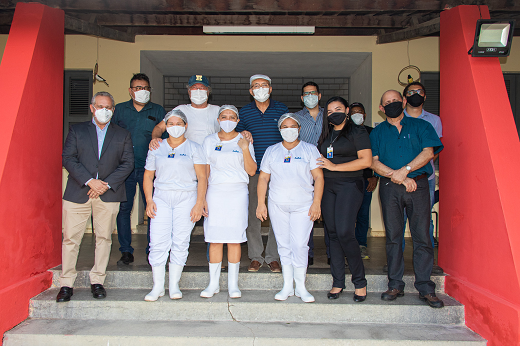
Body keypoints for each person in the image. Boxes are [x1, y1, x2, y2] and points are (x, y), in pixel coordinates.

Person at [57, 92, 134, 302]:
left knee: (104, 239)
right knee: (71, 239)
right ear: (92, 108)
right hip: (78, 192)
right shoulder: (78, 130)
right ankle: (66, 283)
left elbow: (127, 164)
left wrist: (105, 184)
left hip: (108, 194)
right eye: (100, 106)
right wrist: (90, 181)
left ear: (113, 110)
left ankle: (97, 280)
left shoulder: (122, 134)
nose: (104, 110)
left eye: (108, 107)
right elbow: (68, 158)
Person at [370, 90, 444, 308]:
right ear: (381, 109)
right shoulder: (378, 132)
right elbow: (373, 162)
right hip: (390, 186)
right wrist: (400, 177)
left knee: (422, 235)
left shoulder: (422, 126)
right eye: (387, 103)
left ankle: (425, 286)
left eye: (395, 101)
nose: (392, 104)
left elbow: (428, 153)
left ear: (403, 102)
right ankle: (395, 284)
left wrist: (407, 170)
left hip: (418, 185)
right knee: (393, 236)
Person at [256, 113, 324, 303]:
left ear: (299, 129)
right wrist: (261, 203)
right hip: (278, 204)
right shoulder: (272, 151)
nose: (289, 130)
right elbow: (263, 178)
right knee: (283, 244)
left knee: (300, 244)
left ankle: (301, 286)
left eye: (292, 126)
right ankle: (287, 286)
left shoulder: (310, 150)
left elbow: (318, 177)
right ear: (280, 130)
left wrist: (316, 202)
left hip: (304, 205)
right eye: (284, 127)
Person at [143, 110, 207, 301]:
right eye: (170, 123)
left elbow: (202, 177)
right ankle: (157, 287)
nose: (175, 127)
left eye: (179, 123)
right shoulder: (157, 147)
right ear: (166, 126)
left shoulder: (195, 148)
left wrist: (199, 203)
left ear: (185, 126)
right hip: (161, 197)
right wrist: (149, 200)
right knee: (157, 241)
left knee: (180, 241)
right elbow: (148, 175)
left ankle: (174, 286)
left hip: (187, 196)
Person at [317, 96, 371, 302]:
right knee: (332, 234)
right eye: (329, 112)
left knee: (345, 232)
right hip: (328, 186)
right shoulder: (327, 134)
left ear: (347, 110)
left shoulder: (358, 131)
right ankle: (338, 281)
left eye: (338, 109)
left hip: (350, 185)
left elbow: (366, 161)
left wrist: (335, 167)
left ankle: (360, 282)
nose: (334, 114)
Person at [200, 105, 257, 298]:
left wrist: (245, 148)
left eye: (232, 117)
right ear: (218, 119)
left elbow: (251, 170)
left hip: (237, 193)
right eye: (224, 116)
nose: (227, 120)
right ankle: (213, 284)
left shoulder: (245, 139)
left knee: (234, 239)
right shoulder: (209, 141)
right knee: (215, 238)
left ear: (238, 120)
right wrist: (202, 198)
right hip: (215, 192)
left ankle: (233, 285)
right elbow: (205, 172)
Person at [112, 73, 167, 265]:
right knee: (124, 209)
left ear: (150, 90)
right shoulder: (119, 110)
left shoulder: (159, 111)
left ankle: (152, 248)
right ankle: (126, 250)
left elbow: (167, 138)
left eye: (145, 88)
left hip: (150, 170)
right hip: (124, 168)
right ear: (130, 91)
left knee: (152, 209)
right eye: (137, 88)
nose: (141, 91)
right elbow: (111, 137)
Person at [237, 74, 289, 273]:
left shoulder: (281, 109)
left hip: (278, 172)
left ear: (270, 88)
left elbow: (288, 135)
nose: (260, 89)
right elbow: (238, 137)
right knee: (253, 214)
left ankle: (273, 257)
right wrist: (243, 134)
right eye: (256, 86)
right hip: (254, 172)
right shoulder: (245, 112)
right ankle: (256, 256)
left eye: (264, 85)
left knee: (276, 214)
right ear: (251, 91)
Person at [403, 82, 443, 273]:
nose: (415, 95)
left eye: (419, 92)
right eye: (411, 92)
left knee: (425, 220)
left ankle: (428, 262)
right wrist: (403, 172)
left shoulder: (434, 120)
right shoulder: (398, 118)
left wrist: (415, 167)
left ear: (425, 96)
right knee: (398, 219)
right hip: (399, 178)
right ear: (405, 98)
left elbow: (433, 149)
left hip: (425, 178)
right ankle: (396, 261)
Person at [294, 81, 325, 266]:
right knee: (306, 211)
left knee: (327, 211)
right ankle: (308, 251)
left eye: (313, 93)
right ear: (302, 98)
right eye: (306, 94)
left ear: (319, 96)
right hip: (303, 171)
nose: (310, 96)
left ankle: (333, 252)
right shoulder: (296, 118)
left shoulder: (328, 116)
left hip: (326, 168)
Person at [151, 74, 220, 146]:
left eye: (202, 88)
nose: (198, 91)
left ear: (208, 91)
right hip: (186, 154)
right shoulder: (180, 110)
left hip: (210, 153)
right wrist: (155, 138)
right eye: (194, 88)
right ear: (189, 91)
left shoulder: (217, 110)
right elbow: (159, 127)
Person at [349, 102, 379, 260]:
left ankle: (361, 245)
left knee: (363, 214)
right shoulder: (345, 132)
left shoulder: (372, 133)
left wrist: (376, 177)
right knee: (347, 214)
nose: (357, 115)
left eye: (359, 112)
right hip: (348, 180)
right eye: (353, 112)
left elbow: (378, 157)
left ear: (365, 115)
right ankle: (347, 246)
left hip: (367, 180)